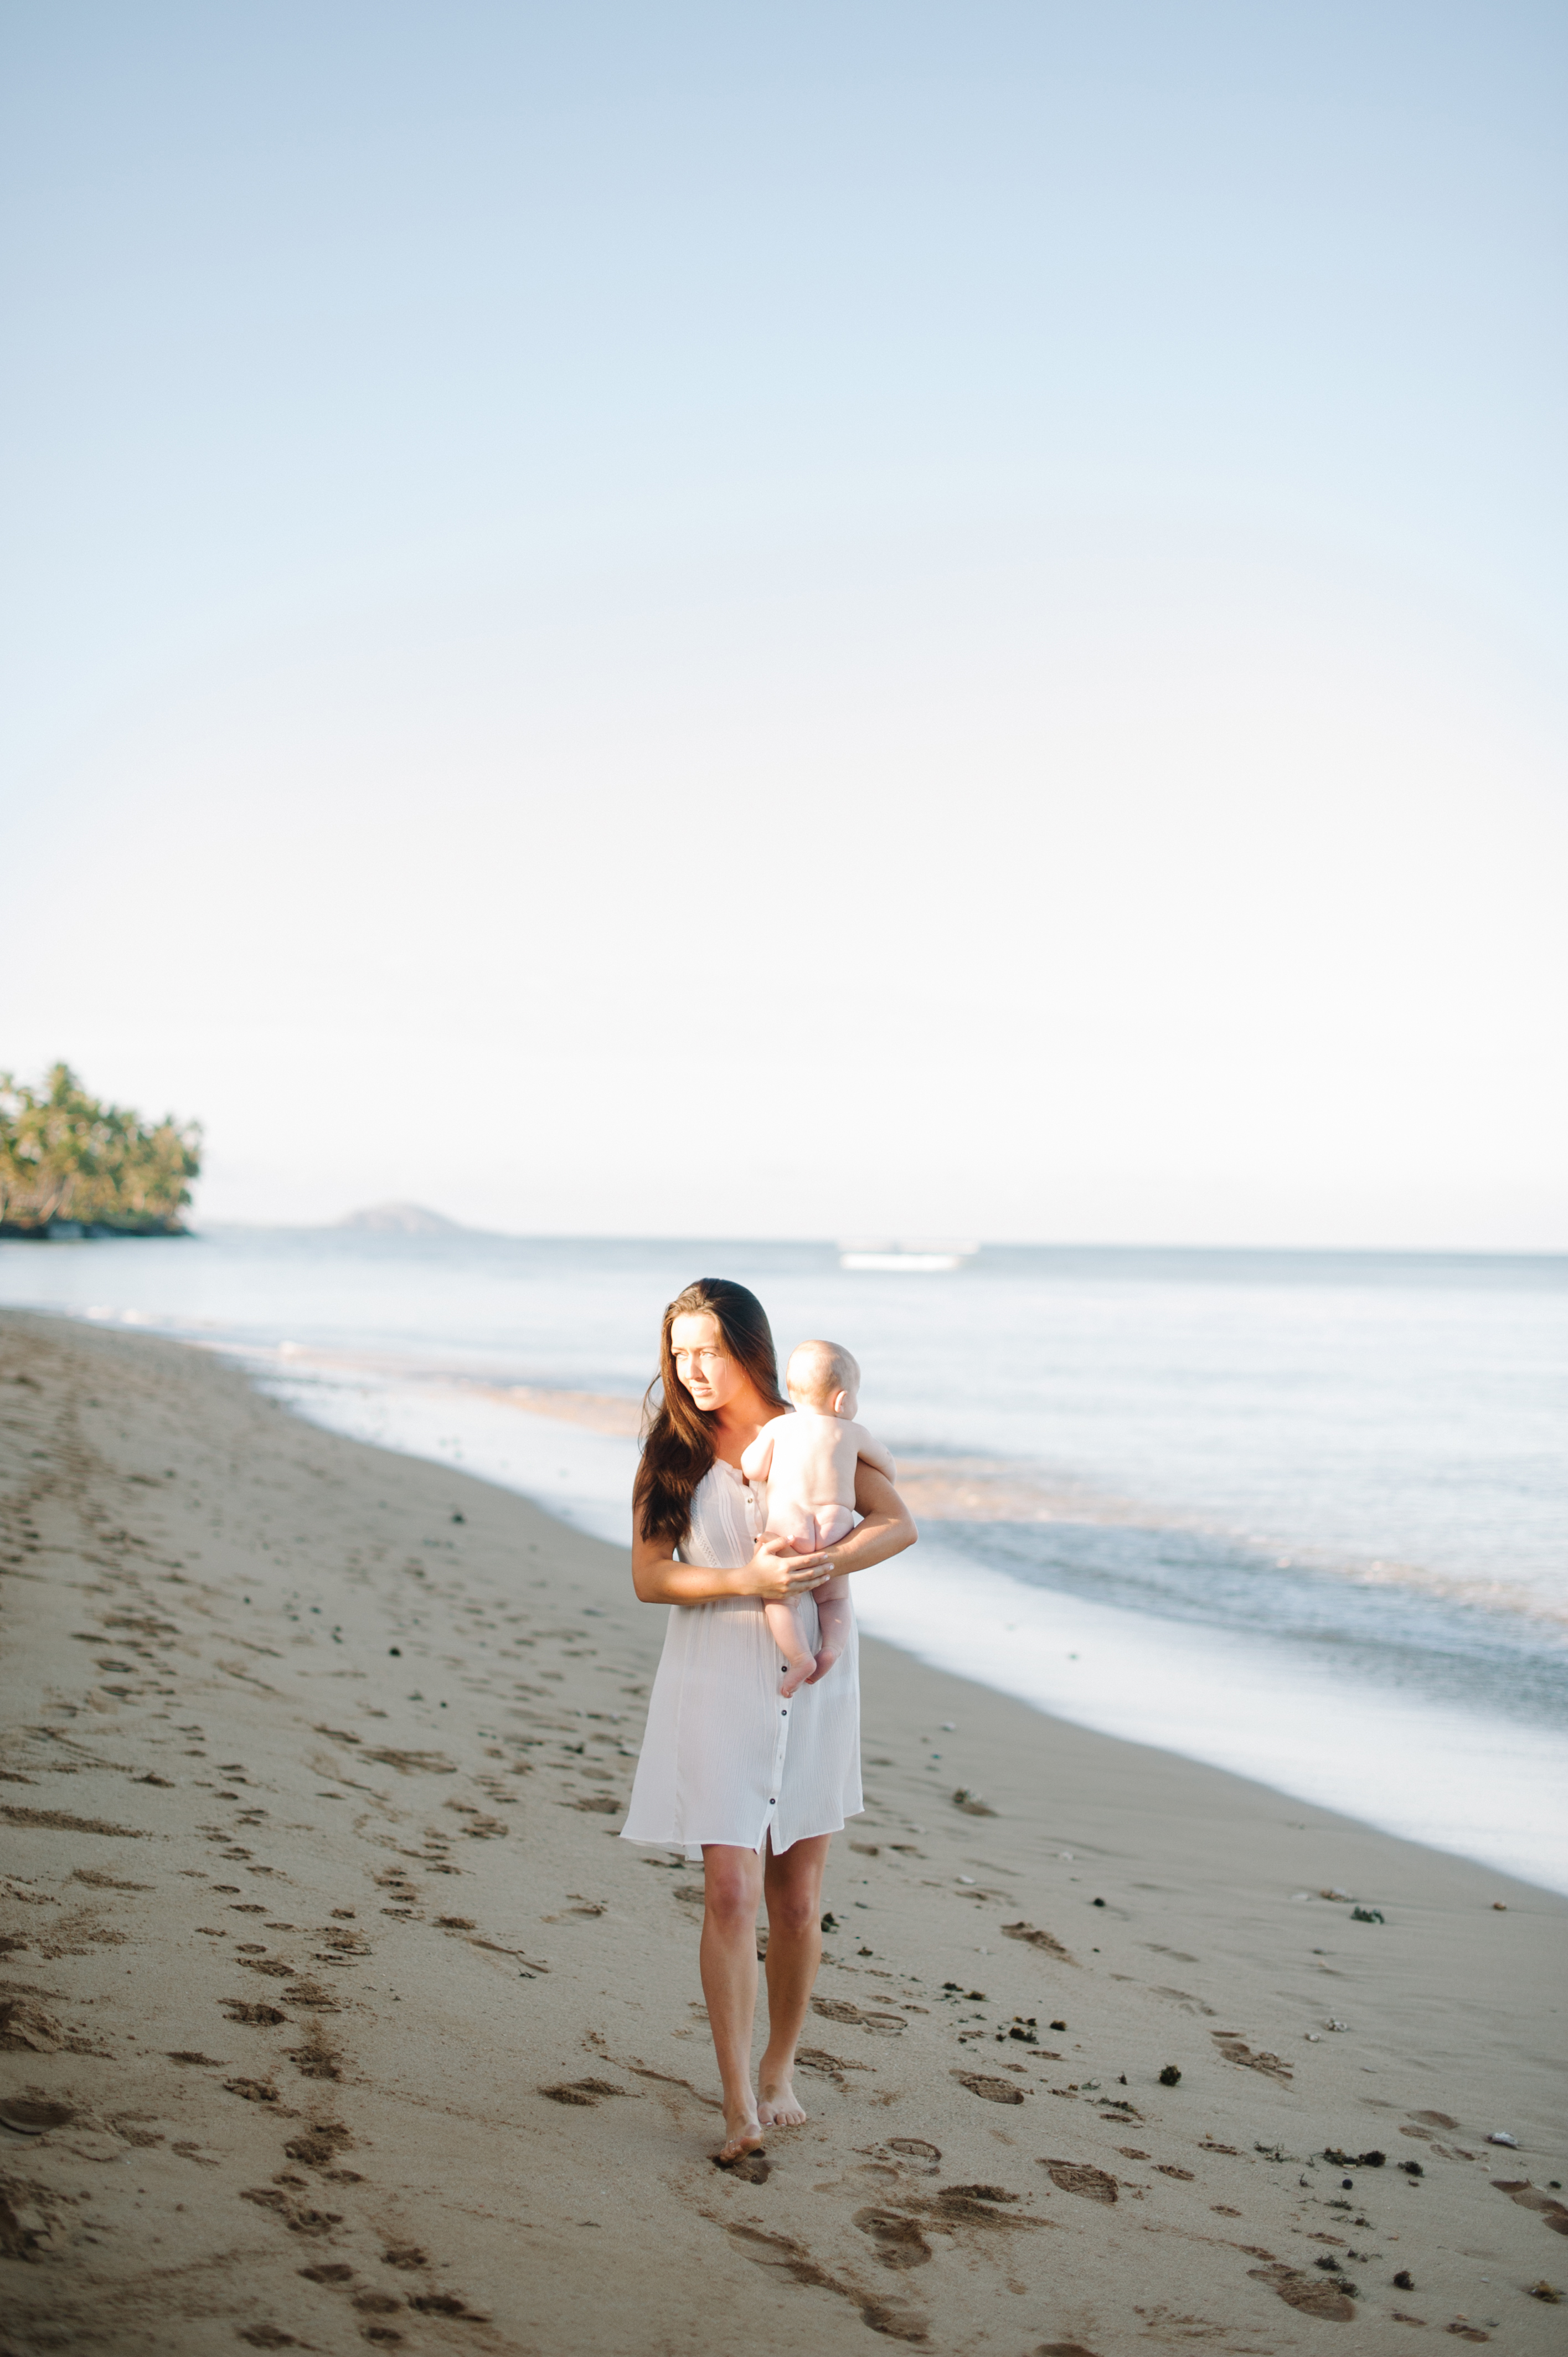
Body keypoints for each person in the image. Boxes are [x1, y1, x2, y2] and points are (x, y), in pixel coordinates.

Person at [620, 1277, 917, 2163]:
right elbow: (649, 1576)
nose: (694, 1370)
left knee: (795, 1902)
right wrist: (743, 1582)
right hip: (715, 1674)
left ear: (751, 1348)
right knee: (730, 1891)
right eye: (680, 1354)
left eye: (708, 1350)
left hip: (816, 1680)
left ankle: (782, 2067)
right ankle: (738, 2098)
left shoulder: (815, 1434)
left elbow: (899, 1523)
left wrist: (828, 1557)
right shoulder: (670, 1452)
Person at [741, 1339, 895, 1698]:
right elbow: (886, 1468)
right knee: (835, 1600)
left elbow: (753, 1468)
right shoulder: (854, 1433)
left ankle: (799, 1658)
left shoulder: (780, 1427)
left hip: (788, 1528)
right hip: (835, 1528)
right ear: (843, 1400)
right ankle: (831, 1649)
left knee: (781, 1598)